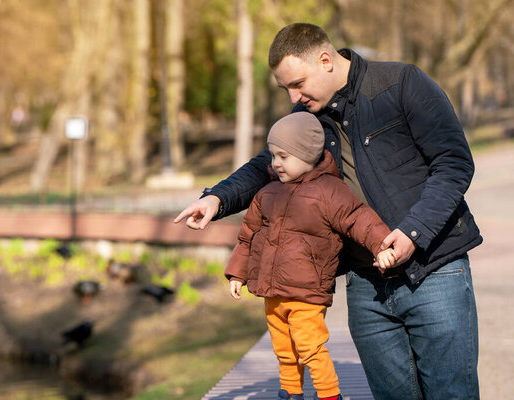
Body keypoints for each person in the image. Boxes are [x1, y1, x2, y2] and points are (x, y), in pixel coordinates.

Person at [175, 23, 483, 400]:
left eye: (298, 83)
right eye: (285, 88)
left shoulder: (401, 83)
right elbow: (264, 166)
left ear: (325, 60)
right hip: (366, 285)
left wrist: (413, 233)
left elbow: (453, 163)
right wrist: (217, 199)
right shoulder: (308, 119)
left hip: (435, 270)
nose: (293, 96)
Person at [226, 112, 396, 400]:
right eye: (273, 156)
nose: (275, 163)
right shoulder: (266, 193)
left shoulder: (329, 191)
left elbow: (359, 219)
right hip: (272, 291)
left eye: (284, 156)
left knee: (310, 345)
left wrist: (382, 246)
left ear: (307, 155)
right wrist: (237, 273)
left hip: (306, 291)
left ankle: (329, 394)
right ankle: (291, 392)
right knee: (283, 347)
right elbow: (248, 235)